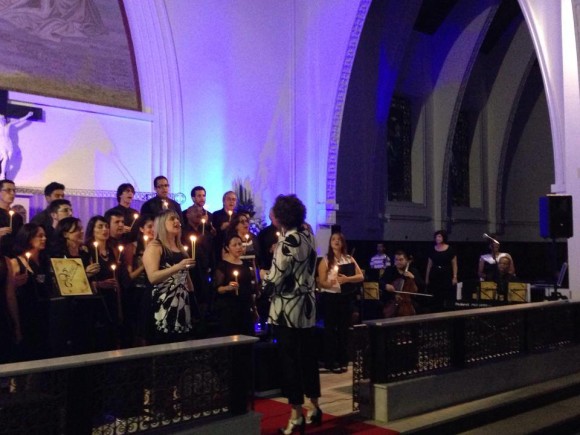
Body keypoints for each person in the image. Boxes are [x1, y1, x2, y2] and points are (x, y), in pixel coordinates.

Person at [260, 194, 322, 433]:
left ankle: (296, 415)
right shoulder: (308, 236)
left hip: (288, 309)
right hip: (307, 306)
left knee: (290, 362)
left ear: (281, 217)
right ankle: (315, 406)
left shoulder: (287, 242)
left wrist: (262, 280)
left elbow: (275, 278)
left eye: (273, 213)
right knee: (308, 358)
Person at [143, 210, 196, 344]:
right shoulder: (155, 247)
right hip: (161, 303)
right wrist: (178, 266)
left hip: (182, 301)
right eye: (172, 219)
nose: (177, 222)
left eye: (177, 219)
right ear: (161, 224)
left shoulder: (180, 247)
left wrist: (192, 294)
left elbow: (186, 276)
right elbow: (153, 277)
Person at [317, 231, 364, 373]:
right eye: (333, 239)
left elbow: (360, 276)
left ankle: (343, 360)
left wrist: (347, 279)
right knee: (330, 330)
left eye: (339, 239)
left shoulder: (349, 258)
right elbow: (321, 282)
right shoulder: (325, 260)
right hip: (330, 297)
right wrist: (329, 283)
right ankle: (330, 361)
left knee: (344, 329)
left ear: (343, 243)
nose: (336, 241)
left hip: (345, 297)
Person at [11, 223, 52, 360]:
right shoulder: (16, 263)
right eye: (39, 236)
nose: (44, 239)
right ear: (28, 238)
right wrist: (14, 284)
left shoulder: (45, 262)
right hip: (27, 316)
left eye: (45, 235)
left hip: (45, 314)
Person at [213, 233, 257, 336]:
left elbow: (250, 288)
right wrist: (228, 287)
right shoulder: (223, 266)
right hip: (230, 309)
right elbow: (217, 289)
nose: (238, 247)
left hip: (245, 308)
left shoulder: (246, 264)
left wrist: (254, 308)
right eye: (234, 245)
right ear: (227, 248)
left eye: (240, 244)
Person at [123, 215, 155, 346]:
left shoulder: (157, 246)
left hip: (154, 290)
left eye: (154, 227)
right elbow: (130, 276)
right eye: (149, 227)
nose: (152, 230)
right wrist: (144, 265)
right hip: (138, 291)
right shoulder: (132, 247)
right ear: (141, 229)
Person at [379, 250, 425, 318]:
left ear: (406, 260)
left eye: (401, 260)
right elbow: (380, 282)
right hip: (391, 299)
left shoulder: (413, 271)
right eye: (396, 260)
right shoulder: (390, 270)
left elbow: (422, 286)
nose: (398, 262)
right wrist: (385, 285)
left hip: (409, 301)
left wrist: (413, 277)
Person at [425, 230, 458, 312]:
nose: (438, 238)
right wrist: (427, 278)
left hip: (446, 274)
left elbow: (454, 264)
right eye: (436, 236)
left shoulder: (450, 249)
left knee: (446, 294)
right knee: (435, 295)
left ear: (443, 237)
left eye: (439, 236)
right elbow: (429, 265)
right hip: (435, 274)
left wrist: (454, 277)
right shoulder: (432, 249)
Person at [0, 111, 33, 179]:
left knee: (8, 159)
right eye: (0, 118)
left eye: (3, 118)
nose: (2, 120)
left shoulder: (8, 125)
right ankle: (2, 174)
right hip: (2, 144)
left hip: (9, 144)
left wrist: (28, 115)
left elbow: (19, 120)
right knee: (5, 158)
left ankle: (5, 173)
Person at [0, 179, 24, 257]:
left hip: (13, 257)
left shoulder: (17, 217)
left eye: (14, 190)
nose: (12, 193)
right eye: (8, 190)